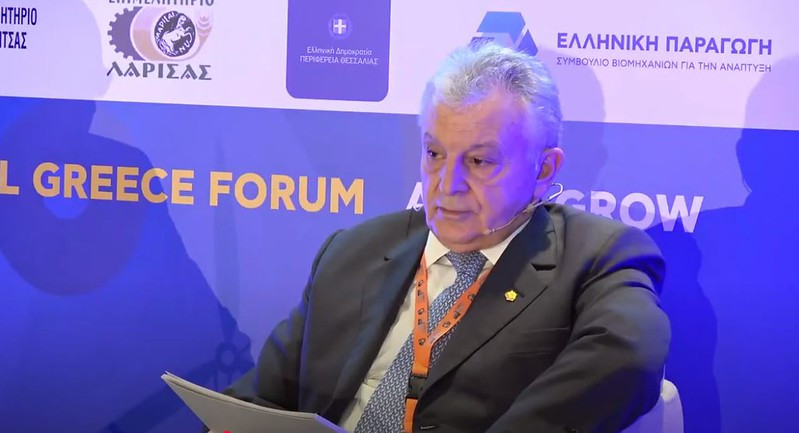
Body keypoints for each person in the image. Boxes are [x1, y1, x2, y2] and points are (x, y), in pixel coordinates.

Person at [217, 41, 670, 433]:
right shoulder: (353, 251)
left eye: (479, 161)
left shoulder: (597, 257)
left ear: (543, 170)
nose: (447, 184)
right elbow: (258, 401)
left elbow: (628, 356)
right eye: (434, 153)